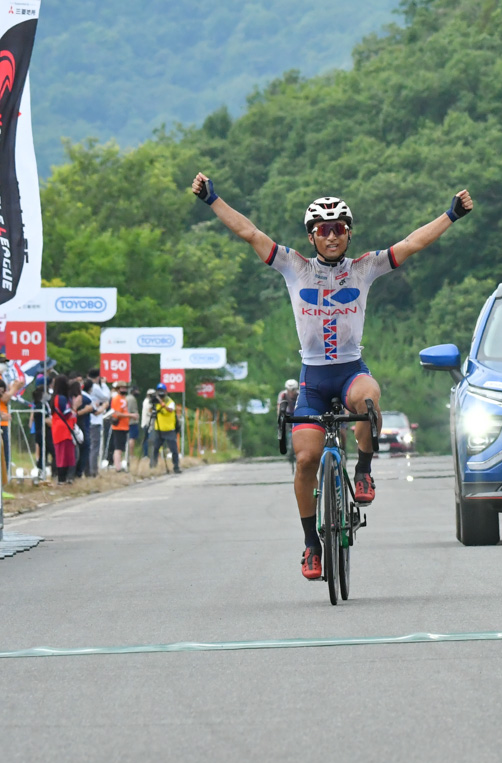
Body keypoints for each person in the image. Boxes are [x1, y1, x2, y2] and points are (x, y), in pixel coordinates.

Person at [193, 170, 474, 582]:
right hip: (313, 379)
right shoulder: (293, 266)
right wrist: (212, 199)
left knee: (368, 400)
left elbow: (412, 243)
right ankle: (311, 544)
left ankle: (362, 470)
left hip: (349, 372)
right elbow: (250, 233)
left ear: (348, 233)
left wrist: (451, 214)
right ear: (311, 236)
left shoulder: (364, 268)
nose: (331, 236)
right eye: (323, 230)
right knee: (305, 459)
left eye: (338, 229)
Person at [49, 375, 78, 485]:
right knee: (65, 455)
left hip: (57, 428)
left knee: (60, 454)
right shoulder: (62, 398)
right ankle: (63, 479)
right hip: (64, 429)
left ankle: (61, 478)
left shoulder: (54, 398)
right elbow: (67, 413)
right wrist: (74, 409)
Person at [149, 383, 182, 474]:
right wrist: (154, 402)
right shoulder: (155, 402)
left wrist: (161, 402)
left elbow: (170, 409)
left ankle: (176, 466)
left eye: (162, 391)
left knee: (174, 449)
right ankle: (153, 466)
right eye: (159, 391)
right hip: (158, 429)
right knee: (155, 448)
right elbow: (150, 411)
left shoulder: (170, 401)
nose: (161, 393)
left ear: (166, 392)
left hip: (169, 429)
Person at [86, 368, 111, 475]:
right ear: (98, 377)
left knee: (90, 446)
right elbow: (106, 397)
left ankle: (89, 470)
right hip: (95, 420)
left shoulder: (88, 387)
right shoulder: (95, 387)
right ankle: (93, 470)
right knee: (94, 447)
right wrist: (104, 384)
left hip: (89, 420)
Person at [108, 380, 134, 472]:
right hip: (118, 426)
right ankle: (117, 467)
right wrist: (131, 415)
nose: (124, 389)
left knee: (121, 448)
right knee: (118, 448)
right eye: (122, 388)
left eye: (125, 388)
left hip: (124, 426)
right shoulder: (116, 399)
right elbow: (117, 413)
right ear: (118, 389)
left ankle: (119, 465)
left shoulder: (124, 399)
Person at [278, 378, 299, 472]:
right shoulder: (282, 395)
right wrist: (279, 418)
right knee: (283, 428)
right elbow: (279, 406)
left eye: (293, 390)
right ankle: (286, 445)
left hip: (297, 414)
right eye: (289, 390)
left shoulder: (299, 395)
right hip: (287, 414)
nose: (291, 392)